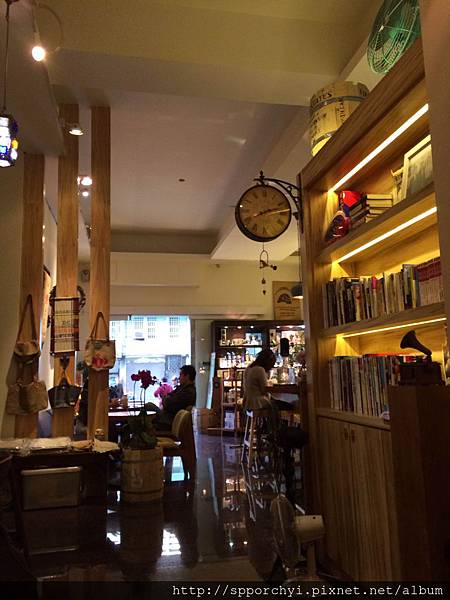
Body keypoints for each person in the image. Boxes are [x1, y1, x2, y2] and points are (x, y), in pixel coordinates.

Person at [146, 365, 196, 431]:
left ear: (187, 376)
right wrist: (167, 399)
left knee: (148, 406)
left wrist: (166, 400)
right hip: (169, 417)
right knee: (146, 415)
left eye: (180, 375)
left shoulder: (188, 392)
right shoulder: (182, 388)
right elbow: (168, 398)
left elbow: (168, 403)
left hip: (170, 420)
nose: (179, 378)